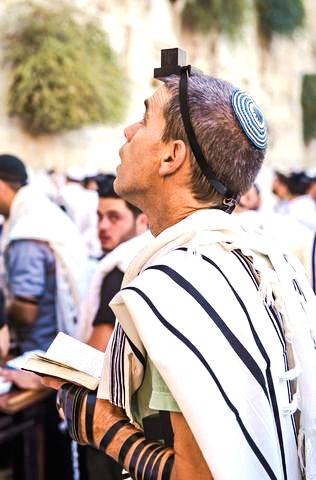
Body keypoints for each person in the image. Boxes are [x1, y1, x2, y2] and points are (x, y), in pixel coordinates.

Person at [43, 49, 316, 479]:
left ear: (172, 156)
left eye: (145, 119)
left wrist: (101, 427)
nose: (128, 130)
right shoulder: (255, 263)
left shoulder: (182, 288)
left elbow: (202, 474)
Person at [0, 153, 90, 479]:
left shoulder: (27, 232)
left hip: (39, 359)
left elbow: (25, 311)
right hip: (60, 350)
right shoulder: (46, 215)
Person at [77, 175, 151, 480]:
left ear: (141, 221)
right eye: (99, 216)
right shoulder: (149, 254)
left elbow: (95, 353)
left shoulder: (120, 267)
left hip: (114, 418)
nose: (103, 226)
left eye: (114, 217)